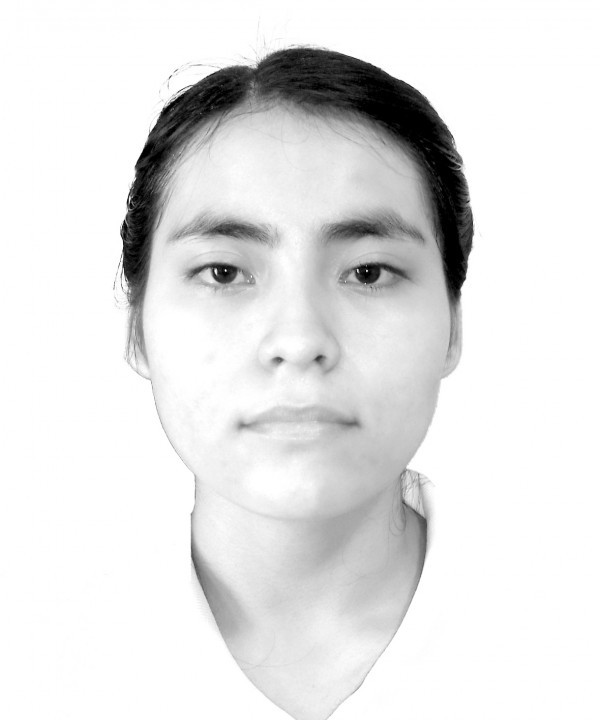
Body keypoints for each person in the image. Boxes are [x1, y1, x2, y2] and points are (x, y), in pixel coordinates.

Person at [120, 46, 472, 720]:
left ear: (453, 325)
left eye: (368, 272)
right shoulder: (32, 659)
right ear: (137, 327)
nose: (300, 339)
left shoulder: (571, 645)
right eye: (224, 272)